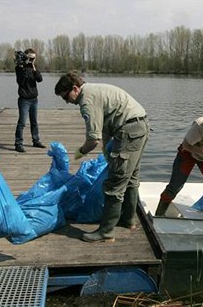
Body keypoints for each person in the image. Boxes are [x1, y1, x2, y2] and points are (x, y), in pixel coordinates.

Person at [55, 71, 149, 243]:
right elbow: (106, 129)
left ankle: (106, 231)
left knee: (115, 182)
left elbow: (93, 139)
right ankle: (128, 220)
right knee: (131, 177)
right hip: (139, 126)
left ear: (75, 89)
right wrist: (107, 153)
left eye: (66, 97)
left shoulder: (87, 101)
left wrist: (80, 152)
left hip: (129, 131)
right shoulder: (95, 90)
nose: (67, 102)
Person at [14, 48, 45, 152]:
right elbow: (21, 82)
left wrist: (33, 67)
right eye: (30, 58)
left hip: (34, 99)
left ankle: (36, 141)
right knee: (22, 122)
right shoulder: (19, 68)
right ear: (26, 57)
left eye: (34, 58)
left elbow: (40, 79)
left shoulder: (34, 67)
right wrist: (22, 68)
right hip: (24, 100)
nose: (32, 60)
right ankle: (18, 143)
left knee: (34, 122)